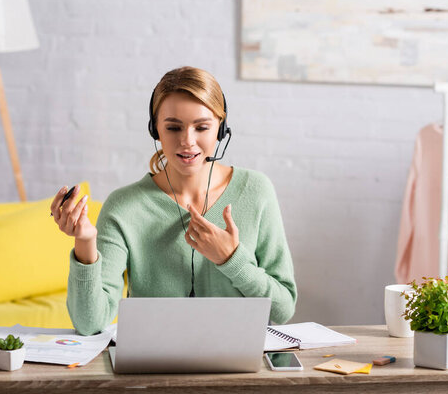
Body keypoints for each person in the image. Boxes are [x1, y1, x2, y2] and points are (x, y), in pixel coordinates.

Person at [51, 66, 297, 335]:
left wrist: (231, 259)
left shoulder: (256, 191)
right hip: (153, 368)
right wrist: (85, 243)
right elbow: (89, 324)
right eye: (173, 127)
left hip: (237, 368)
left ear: (221, 129)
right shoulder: (124, 207)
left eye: (202, 127)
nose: (187, 141)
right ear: (155, 129)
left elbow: (282, 310)